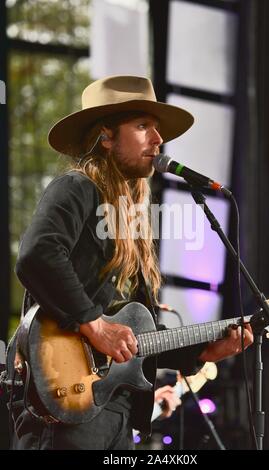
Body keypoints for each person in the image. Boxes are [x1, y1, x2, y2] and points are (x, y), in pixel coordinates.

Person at [10, 75, 253, 450]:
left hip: (116, 413)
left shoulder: (135, 219)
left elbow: (135, 338)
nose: (158, 140)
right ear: (105, 137)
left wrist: (203, 352)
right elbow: (37, 255)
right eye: (143, 126)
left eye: (157, 129)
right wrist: (94, 325)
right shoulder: (76, 188)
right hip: (67, 405)